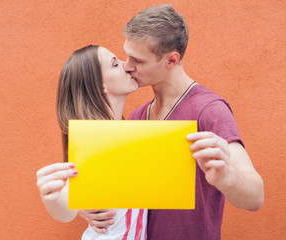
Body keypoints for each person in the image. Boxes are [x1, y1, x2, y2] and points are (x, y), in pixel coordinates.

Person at [80, 4, 264, 240]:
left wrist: (228, 177)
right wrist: (86, 209)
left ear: (171, 60)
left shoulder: (209, 110)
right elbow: (115, 197)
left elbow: (255, 197)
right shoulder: (137, 117)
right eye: (126, 56)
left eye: (138, 60)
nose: (127, 66)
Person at [36, 45, 147, 240]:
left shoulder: (125, 134)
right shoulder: (96, 142)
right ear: (99, 86)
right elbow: (66, 206)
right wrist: (53, 199)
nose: (127, 66)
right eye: (115, 64)